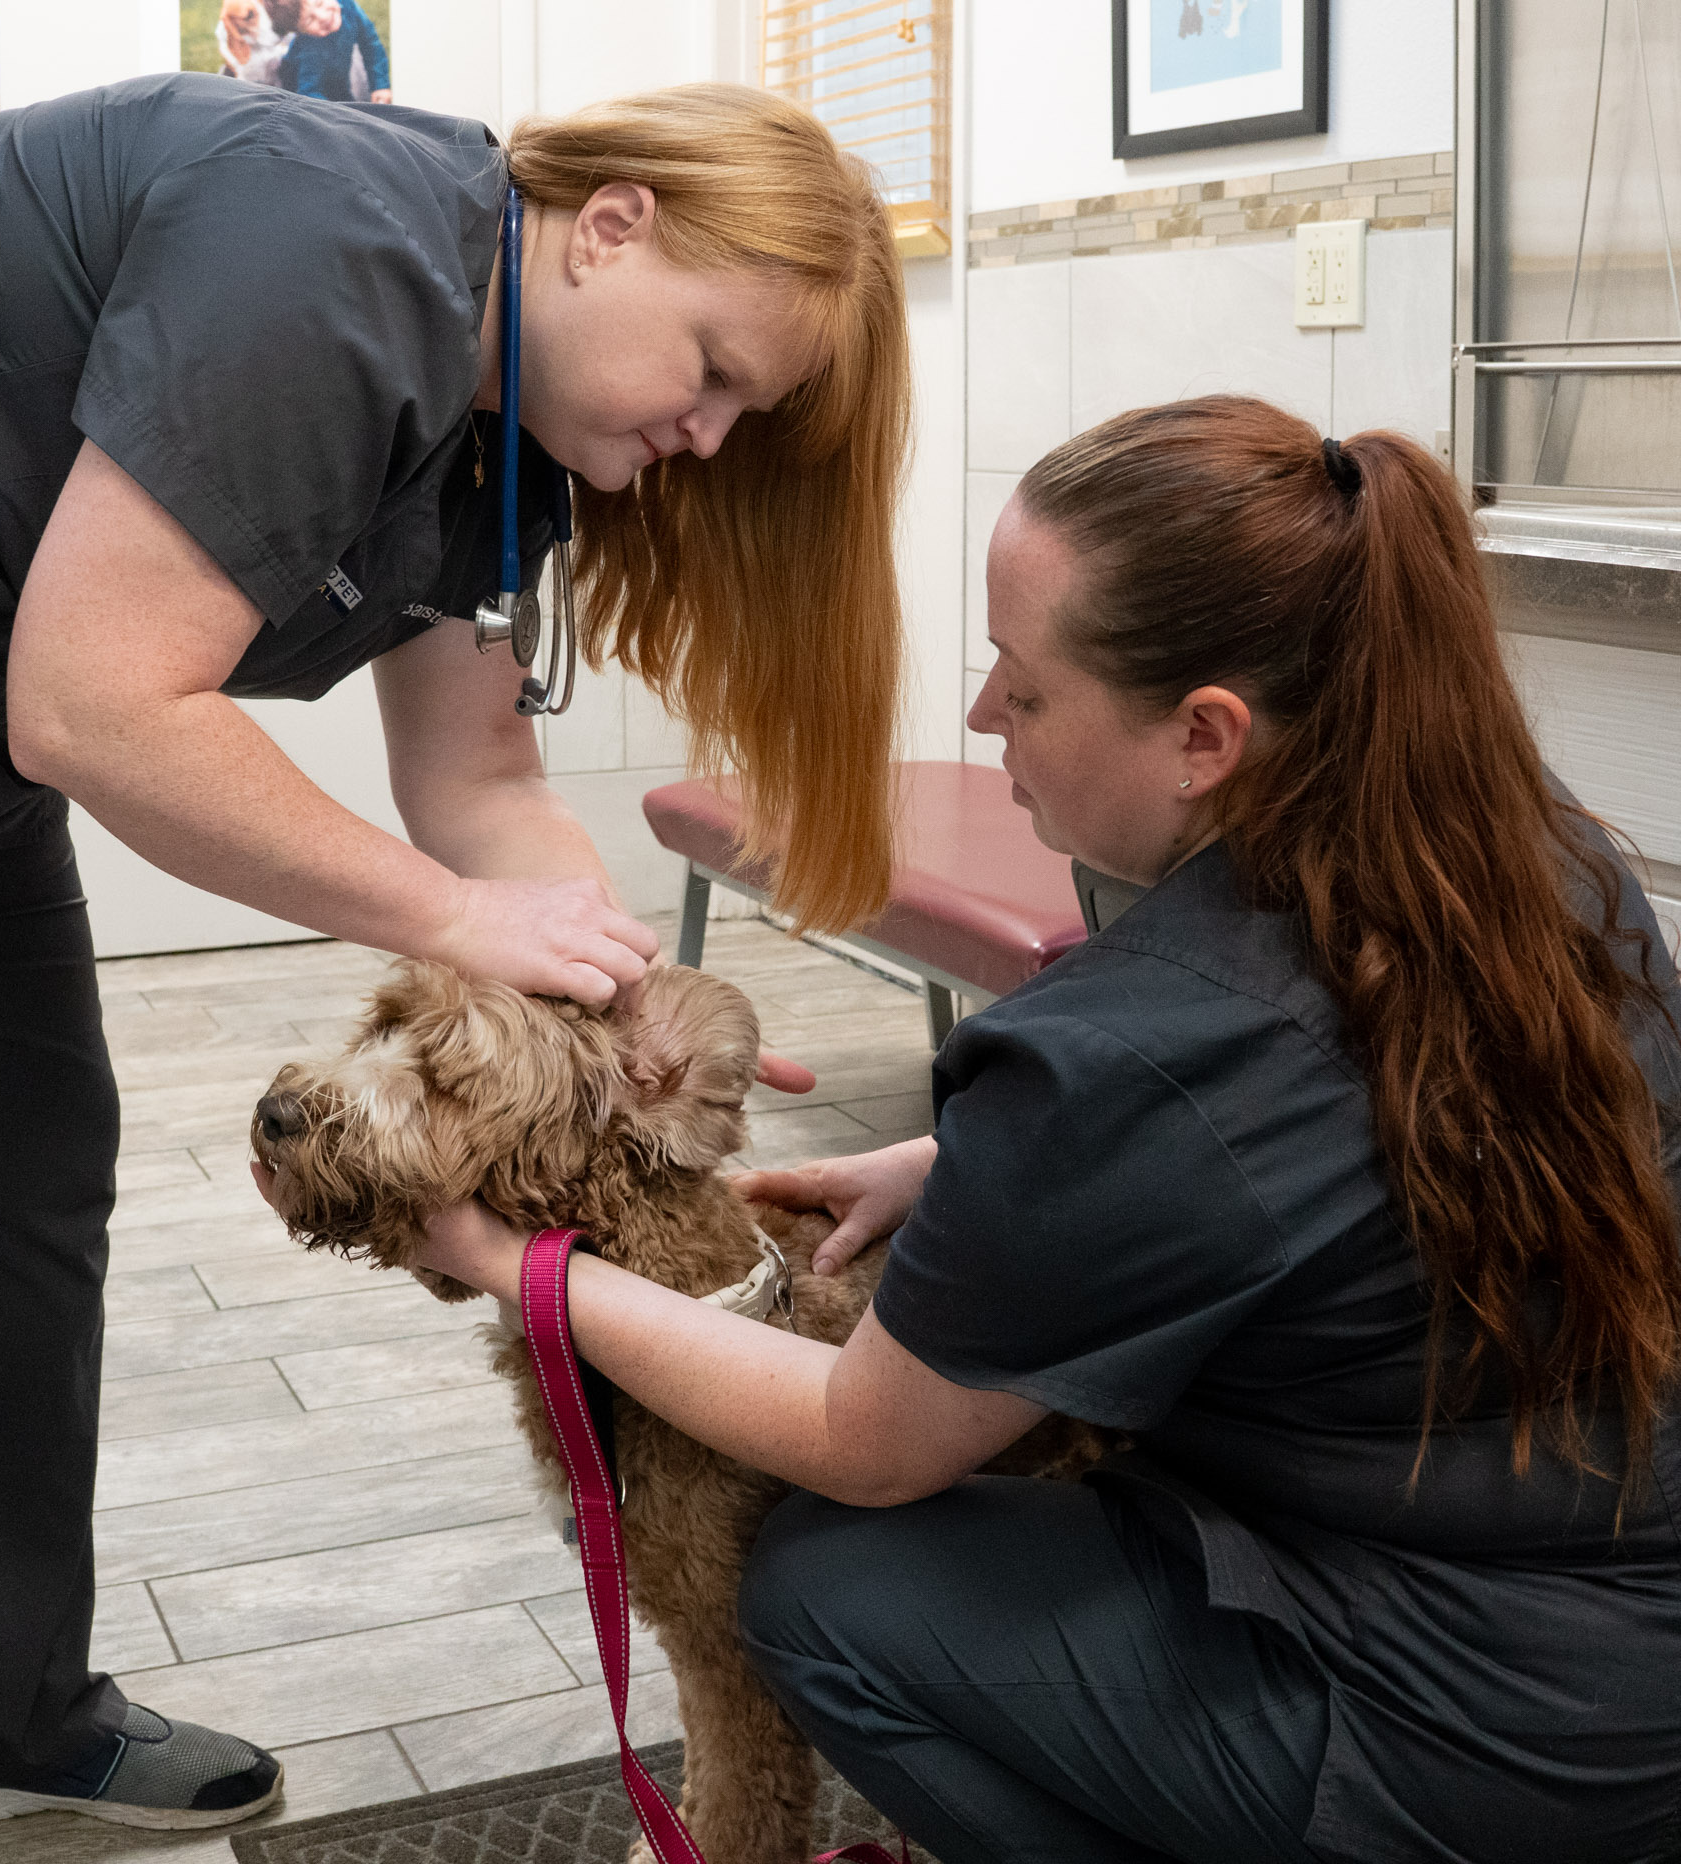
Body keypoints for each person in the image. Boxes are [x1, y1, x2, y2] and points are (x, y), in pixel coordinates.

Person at [0, 72, 906, 1862]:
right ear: (615, 223)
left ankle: (9, 1715)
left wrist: (608, 988)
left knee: (19, 1195)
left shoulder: (515, 447)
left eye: (746, 410)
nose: (712, 437)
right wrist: (449, 923)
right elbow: (100, 699)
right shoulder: (327, 245)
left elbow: (481, 786)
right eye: (713, 370)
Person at [409, 395, 1681, 1864]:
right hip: (1615, 1620)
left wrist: (523, 1270)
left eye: (1021, 689)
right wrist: (960, 1164)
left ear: (1207, 736)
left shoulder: (1122, 1053)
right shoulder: (1543, 862)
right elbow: (1341, 1124)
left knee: (831, 1588)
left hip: (1466, 1733)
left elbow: (862, 1440)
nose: (978, 720)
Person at [262, 0, 392, 103]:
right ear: (300, 32)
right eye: (309, 20)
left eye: (319, 3)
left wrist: (380, 85)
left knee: (346, 97)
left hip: (338, 79)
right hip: (296, 89)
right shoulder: (309, 49)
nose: (323, 17)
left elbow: (371, 45)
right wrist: (335, 113)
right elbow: (308, 92)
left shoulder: (347, 4)